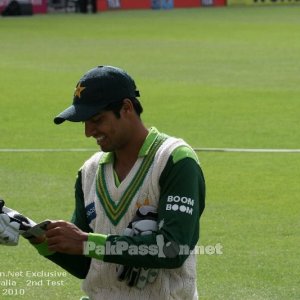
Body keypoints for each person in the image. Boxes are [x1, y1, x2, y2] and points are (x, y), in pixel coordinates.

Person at [0, 66, 205, 299]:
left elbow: (173, 248)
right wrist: (33, 233)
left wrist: (87, 242)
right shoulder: (89, 171)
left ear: (126, 108)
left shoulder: (174, 160)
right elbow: (84, 265)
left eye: (96, 120)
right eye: (84, 123)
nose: (88, 132)